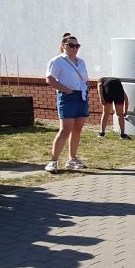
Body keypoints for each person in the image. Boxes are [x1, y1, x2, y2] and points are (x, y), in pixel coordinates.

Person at [44, 33, 89, 173]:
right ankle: (53, 161)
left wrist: (85, 88)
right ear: (64, 46)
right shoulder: (57, 61)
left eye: (77, 46)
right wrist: (66, 90)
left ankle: (72, 158)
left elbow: (84, 79)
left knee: (77, 129)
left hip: (81, 95)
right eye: (71, 45)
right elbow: (50, 79)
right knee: (65, 129)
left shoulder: (81, 61)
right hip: (67, 96)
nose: (75, 48)